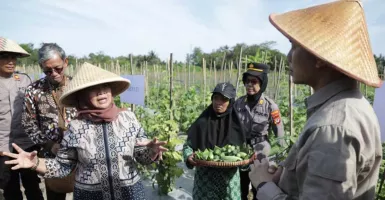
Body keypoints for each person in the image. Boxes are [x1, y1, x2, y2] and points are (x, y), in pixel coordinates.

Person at [248, 1, 383, 199]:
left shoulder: (333, 128)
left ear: (319, 58)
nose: (288, 57)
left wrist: (263, 185)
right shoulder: (350, 106)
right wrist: (286, 176)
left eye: (294, 47)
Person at [2, 62, 168, 200]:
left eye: (105, 87)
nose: (102, 92)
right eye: (94, 89)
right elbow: (63, 166)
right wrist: (35, 163)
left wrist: (150, 151)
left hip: (130, 193)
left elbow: (141, 155)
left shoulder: (128, 118)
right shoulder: (76, 127)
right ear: (83, 95)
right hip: (90, 196)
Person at [22, 43, 76, 199]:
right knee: (55, 193)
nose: (53, 73)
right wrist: (50, 145)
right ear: (41, 67)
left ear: (66, 62)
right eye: (47, 70)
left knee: (84, 192)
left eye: (58, 68)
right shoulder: (34, 90)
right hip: (51, 156)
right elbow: (28, 123)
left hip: (80, 153)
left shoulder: (78, 86)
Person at [183, 82, 247, 200]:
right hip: (205, 183)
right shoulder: (202, 122)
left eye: (224, 99)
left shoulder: (236, 125)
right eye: (216, 98)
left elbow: (244, 154)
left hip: (229, 183)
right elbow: (188, 146)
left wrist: (245, 162)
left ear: (231, 102)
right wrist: (189, 157)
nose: (218, 102)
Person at [0, 37, 44, 200]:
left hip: (27, 144)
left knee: (33, 185)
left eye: (13, 57)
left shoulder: (25, 79)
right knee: (10, 188)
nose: (11, 61)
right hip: (2, 146)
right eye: (5, 57)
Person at [233, 62, 285, 200]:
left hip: (261, 151)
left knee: (260, 188)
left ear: (262, 84)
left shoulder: (270, 106)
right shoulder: (238, 104)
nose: (249, 85)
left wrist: (279, 161)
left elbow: (280, 135)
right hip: (242, 151)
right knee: (241, 185)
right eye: (247, 81)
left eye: (254, 81)